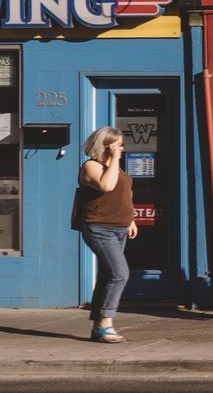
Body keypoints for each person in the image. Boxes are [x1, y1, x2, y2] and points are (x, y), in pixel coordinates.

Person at [74, 126, 137, 343]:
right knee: (120, 274)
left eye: (122, 145)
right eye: (118, 145)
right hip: (99, 228)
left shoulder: (114, 167)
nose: (122, 148)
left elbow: (123, 194)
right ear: (105, 145)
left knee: (108, 275)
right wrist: (113, 158)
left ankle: (97, 327)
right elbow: (107, 186)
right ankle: (106, 323)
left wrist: (131, 219)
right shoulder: (90, 166)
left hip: (119, 228)